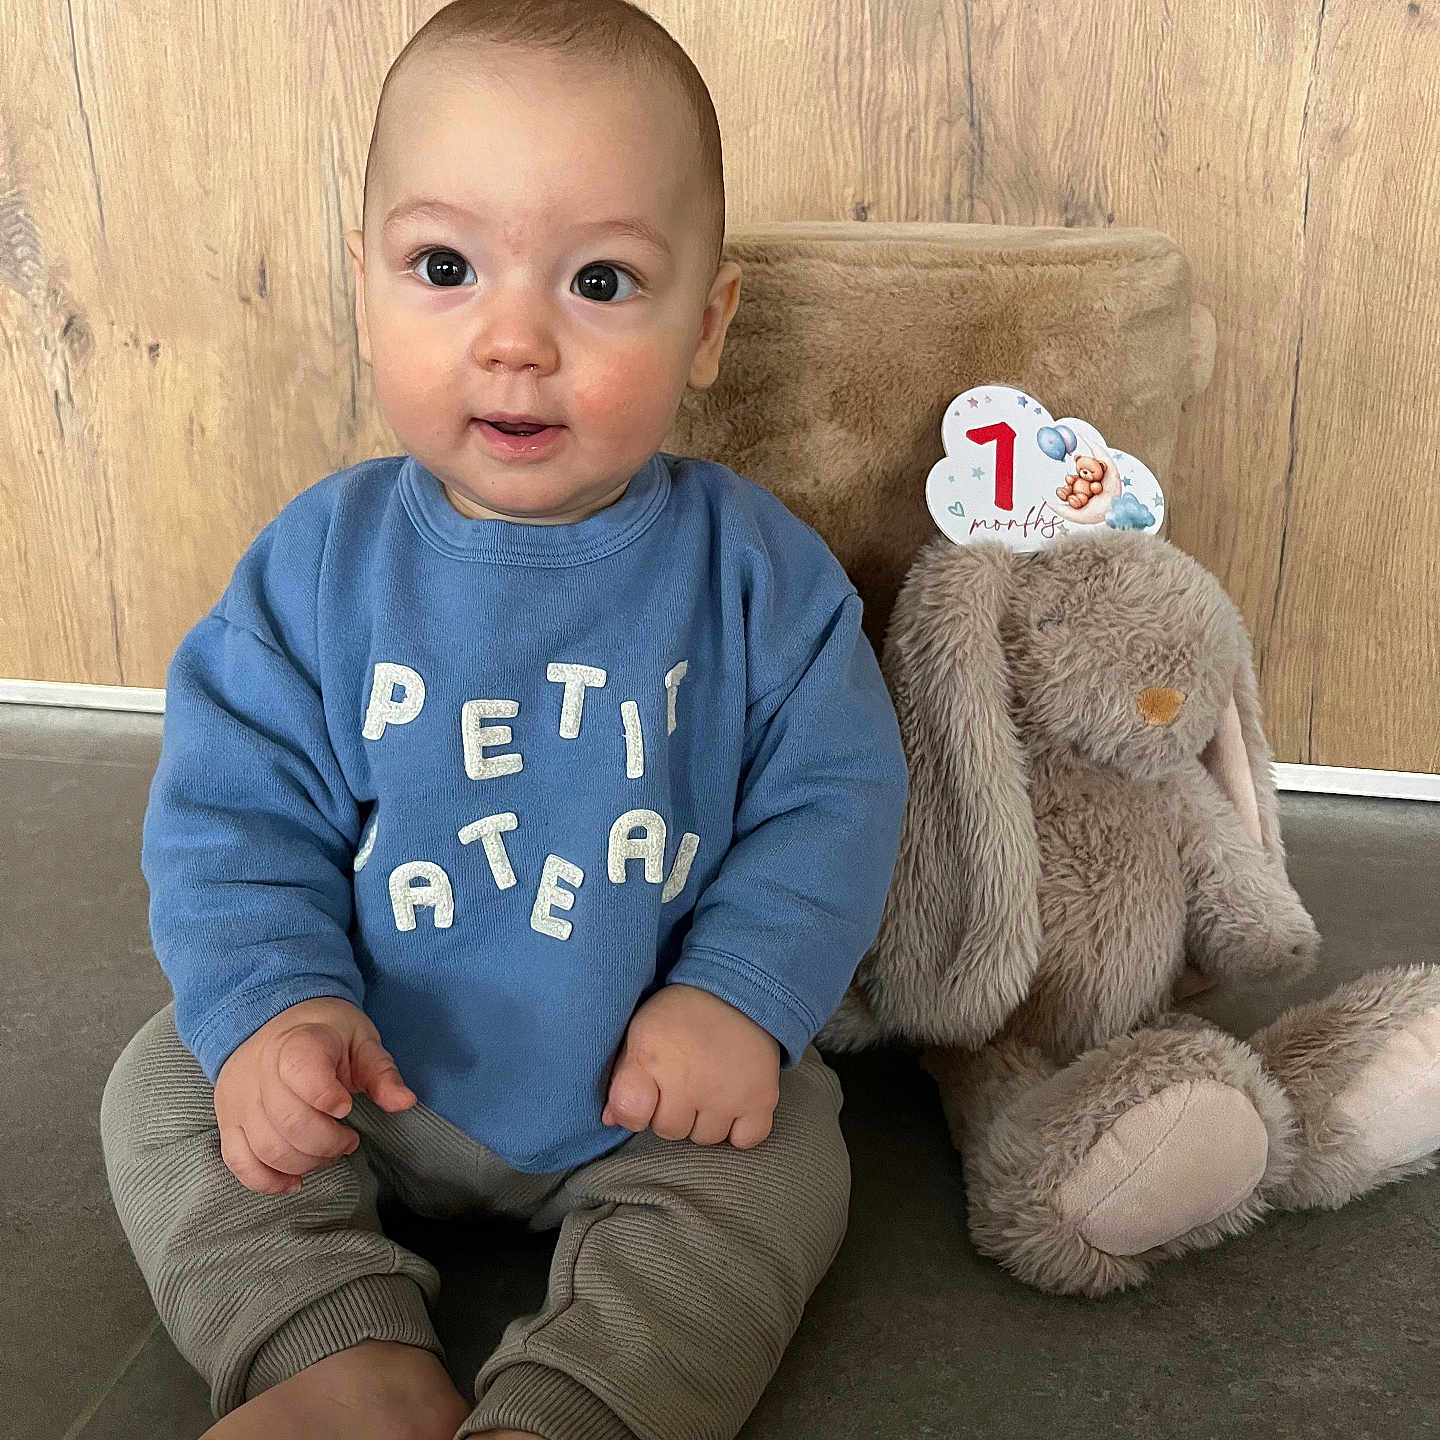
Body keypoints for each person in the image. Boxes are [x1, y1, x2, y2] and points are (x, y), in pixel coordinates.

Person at [100, 3, 909, 1437]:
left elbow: (835, 799)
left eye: (601, 280)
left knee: (787, 1162)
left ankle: (584, 1402)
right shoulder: (317, 568)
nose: (516, 341)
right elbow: (232, 819)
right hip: (369, 1068)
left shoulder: (755, 575)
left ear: (707, 324)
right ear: (366, 286)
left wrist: (738, 996)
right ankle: (333, 1351)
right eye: (445, 268)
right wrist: (280, 1009)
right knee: (168, 1088)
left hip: (647, 1088)